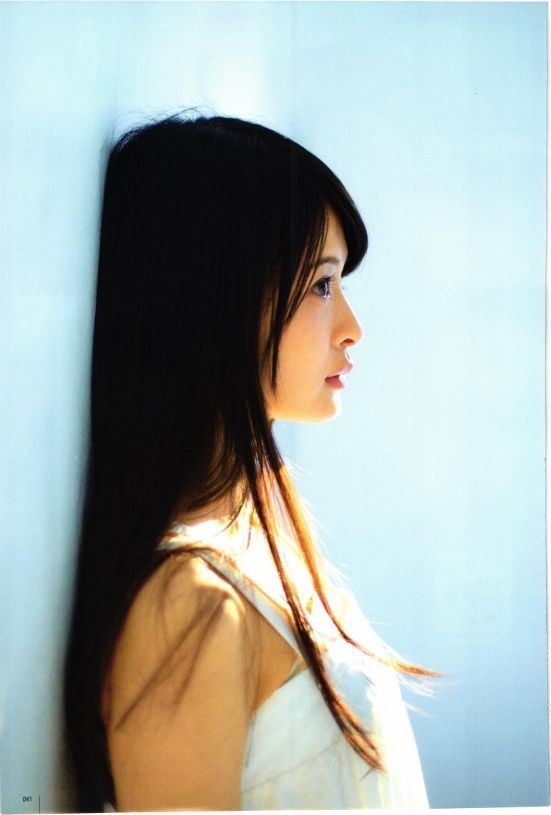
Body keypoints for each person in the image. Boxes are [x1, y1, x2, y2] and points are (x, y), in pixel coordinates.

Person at [63, 111, 436, 812]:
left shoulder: (258, 544)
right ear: (219, 300)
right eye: (321, 284)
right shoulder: (187, 604)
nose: (352, 328)